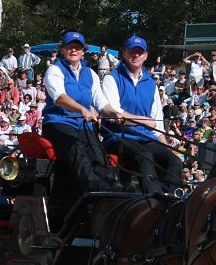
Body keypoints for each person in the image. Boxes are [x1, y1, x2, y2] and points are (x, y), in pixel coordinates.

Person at [42, 31, 123, 192]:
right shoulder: (55, 70)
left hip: (82, 125)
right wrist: (82, 110)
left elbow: (101, 103)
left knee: (97, 153)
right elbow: (60, 98)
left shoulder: (90, 74)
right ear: (63, 50)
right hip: (58, 122)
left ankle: (113, 187)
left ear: (83, 52)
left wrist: (114, 114)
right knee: (77, 151)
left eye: (77, 48)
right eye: (69, 47)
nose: (73, 50)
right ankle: (96, 189)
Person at [101, 36, 183, 195]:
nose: (136, 55)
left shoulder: (151, 83)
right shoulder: (112, 78)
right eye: (132, 51)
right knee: (145, 155)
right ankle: (155, 200)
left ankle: (173, 202)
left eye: (140, 52)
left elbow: (157, 125)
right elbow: (113, 114)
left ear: (146, 56)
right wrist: (143, 121)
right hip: (117, 136)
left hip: (145, 138)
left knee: (174, 160)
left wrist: (165, 147)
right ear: (124, 53)